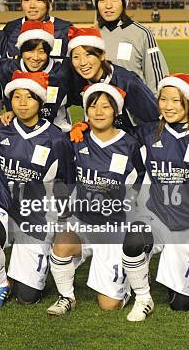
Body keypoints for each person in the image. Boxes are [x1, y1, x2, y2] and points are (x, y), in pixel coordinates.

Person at [122, 73, 189, 321]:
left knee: (180, 305)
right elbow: (111, 131)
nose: (168, 106)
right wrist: (82, 128)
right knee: (134, 240)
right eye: (163, 99)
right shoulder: (147, 133)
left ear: (188, 104)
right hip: (154, 214)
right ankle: (143, 298)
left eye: (176, 101)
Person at [0, 71, 74, 309]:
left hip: (37, 213)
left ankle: (29, 269)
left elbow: (68, 180)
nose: (21, 103)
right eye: (16, 97)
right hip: (2, 204)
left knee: (27, 298)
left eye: (29, 97)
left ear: (40, 101)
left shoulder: (56, 139)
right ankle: (0, 283)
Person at [46, 83, 145, 316]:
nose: (98, 112)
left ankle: (128, 279)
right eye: (93, 106)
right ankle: (66, 296)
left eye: (105, 107)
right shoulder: (76, 139)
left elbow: (141, 182)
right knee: (61, 243)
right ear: (85, 110)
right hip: (83, 222)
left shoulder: (129, 144)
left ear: (116, 111)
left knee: (109, 305)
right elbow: (64, 174)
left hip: (115, 227)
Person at [66, 26, 159, 130]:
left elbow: (155, 117)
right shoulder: (77, 81)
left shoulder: (128, 82)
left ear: (102, 55)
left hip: (131, 143)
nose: (82, 63)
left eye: (88, 55)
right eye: (76, 57)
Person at [92, 0, 169, 95]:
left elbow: (158, 81)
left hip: (135, 111)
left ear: (124, 2)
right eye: (102, 0)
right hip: (99, 112)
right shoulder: (91, 37)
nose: (108, 5)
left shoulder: (142, 34)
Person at [0, 21, 72, 131]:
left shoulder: (61, 72)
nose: (35, 57)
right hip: (20, 133)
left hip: (57, 132)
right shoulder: (7, 69)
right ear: (21, 51)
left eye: (41, 51)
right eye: (30, 51)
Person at [2, 0, 72, 60]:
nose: (32, 6)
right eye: (27, 0)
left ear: (49, 3)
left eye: (38, 0)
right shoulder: (10, 28)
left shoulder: (65, 29)